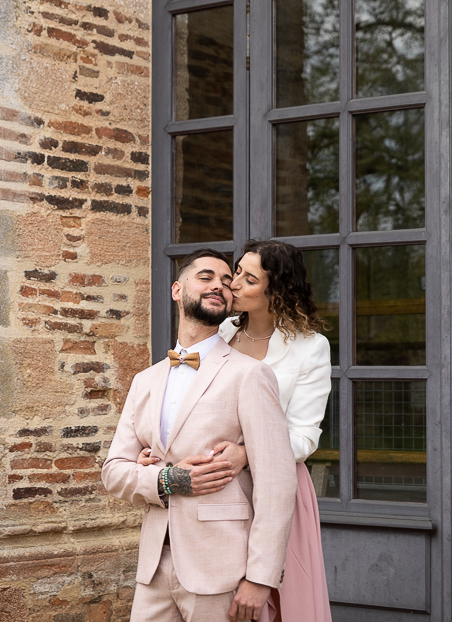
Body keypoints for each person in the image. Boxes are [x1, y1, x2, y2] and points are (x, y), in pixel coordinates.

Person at [138, 240, 332, 621]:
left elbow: (306, 434)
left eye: (248, 278)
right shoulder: (219, 330)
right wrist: (158, 452)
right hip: (210, 489)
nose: (234, 284)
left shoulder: (311, 348)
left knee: (272, 604)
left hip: (272, 483)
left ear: (275, 291)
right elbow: (185, 404)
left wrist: (247, 453)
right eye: (236, 272)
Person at [102, 248, 297, 622]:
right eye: (205, 277)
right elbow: (113, 471)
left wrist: (260, 578)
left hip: (223, 570)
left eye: (227, 282)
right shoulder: (145, 381)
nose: (218, 287)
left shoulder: (250, 375)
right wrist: (166, 479)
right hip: (154, 569)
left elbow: (277, 482)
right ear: (177, 290)